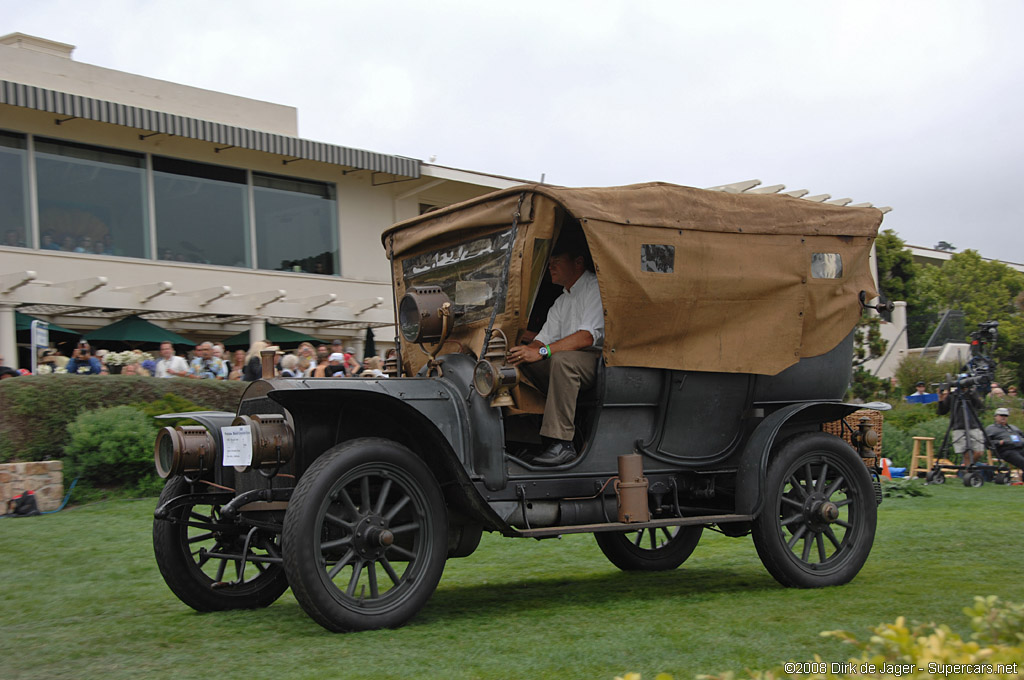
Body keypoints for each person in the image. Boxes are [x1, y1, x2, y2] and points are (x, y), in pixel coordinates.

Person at [507, 229, 604, 466]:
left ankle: (562, 444)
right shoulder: (562, 300)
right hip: (566, 356)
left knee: (563, 362)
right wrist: (526, 351)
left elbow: (586, 338)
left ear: (578, 262)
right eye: (549, 263)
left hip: (596, 360)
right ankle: (527, 441)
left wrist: (541, 352)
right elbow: (544, 339)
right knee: (516, 364)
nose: (551, 267)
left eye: (556, 262)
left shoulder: (594, 288)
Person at [937, 387, 985, 467]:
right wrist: (941, 400)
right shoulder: (953, 395)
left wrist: (970, 393)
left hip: (973, 425)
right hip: (958, 426)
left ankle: (968, 468)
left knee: (979, 452)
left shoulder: (972, 393)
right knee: (966, 453)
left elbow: (979, 406)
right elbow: (942, 411)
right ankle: (968, 473)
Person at [985, 407, 1024, 479]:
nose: (1003, 417)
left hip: (1020, 448)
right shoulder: (991, 428)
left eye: (1005, 416)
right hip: (1006, 450)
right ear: (996, 416)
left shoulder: (1013, 427)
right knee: (1022, 461)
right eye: (1001, 415)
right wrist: (999, 442)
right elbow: (987, 443)